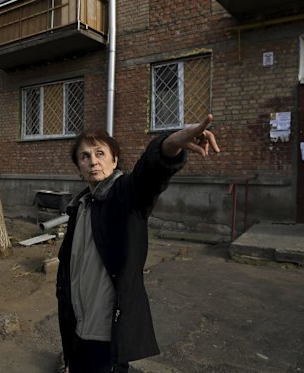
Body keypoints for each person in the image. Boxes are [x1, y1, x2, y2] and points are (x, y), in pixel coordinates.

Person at [56, 114, 220, 372]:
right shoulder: (80, 207)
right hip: (77, 326)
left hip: (107, 331)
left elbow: (149, 174)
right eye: (85, 156)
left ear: (115, 160)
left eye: (100, 153)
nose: (93, 161)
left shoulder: (125, 196)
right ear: (78, 168)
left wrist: (172, 142)